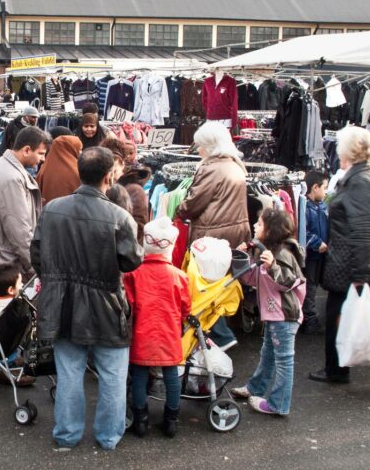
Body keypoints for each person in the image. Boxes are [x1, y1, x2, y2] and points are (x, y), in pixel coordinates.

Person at [32, 147, 143, 451]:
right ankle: (108, 437)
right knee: (112, 375)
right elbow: (132, 261)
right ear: (109, 176)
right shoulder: (119, 216)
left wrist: (55, 281)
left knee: (69, 371)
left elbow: (37, 255)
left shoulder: (53, 209)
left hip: (62, 302)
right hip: (106, 304)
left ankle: (67, 435)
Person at [310, 126, 370, 384]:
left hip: (351, 265)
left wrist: (360, 275)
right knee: (340, 315)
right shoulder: (363, 176)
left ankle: (336, 370)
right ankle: (337, 368)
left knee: (340, 315)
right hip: (350, 263)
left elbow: (364, 229)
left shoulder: (361, 181)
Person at [176, 121, 250, 351]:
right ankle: (221, 332)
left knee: (205, 288)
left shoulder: (211, 169)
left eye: (200, 146)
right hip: (234, 233)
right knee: (222, 286)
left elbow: (194, 203)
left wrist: (178, 208)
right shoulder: (236, 165)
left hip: (211, 235)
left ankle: (221, 335)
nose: (198, 150)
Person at [231, 209, 305, 416]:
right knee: (268, 354)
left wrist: (272, 266)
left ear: (271, 230)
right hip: (274, 315)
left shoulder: (283, 254)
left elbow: (291, 281)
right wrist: (241, 257)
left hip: (284, 315)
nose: (255, 226)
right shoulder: (268, 252)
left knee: (283, 360)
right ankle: (256, 388)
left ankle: (278, 404)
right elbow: (252, 278)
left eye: (260, 224)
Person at [124, 217, 190, 438]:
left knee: (140, 375)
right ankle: (171, 421)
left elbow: (128, 304)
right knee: (171, 375)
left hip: (142, 332)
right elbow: (185, 307)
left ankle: (141, 421)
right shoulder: (179, 277)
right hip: (169, 333)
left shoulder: (134, 274)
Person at [0, 127, 48, 280]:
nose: (43, 159)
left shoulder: (5, 165)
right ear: (27, 150)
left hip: (2, 254)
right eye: (41, 153)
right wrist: (33, 266)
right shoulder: (12, 178)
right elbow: (19, 230)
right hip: (8, 259)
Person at [301, 170, 330, 334]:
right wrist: (317, 243)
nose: (326, 191)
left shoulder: (321, 205)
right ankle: (310, 320)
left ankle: (310, 318)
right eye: (324, 188)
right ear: (315, 187)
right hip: (311, 255)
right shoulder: (305, 207)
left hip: (319, 254)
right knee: (310, 287)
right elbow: (302, 232)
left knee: (314, 285)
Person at [36, 135, 82, 205]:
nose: (81, 152)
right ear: (71, 149)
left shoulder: (44, 168)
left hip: (47, 212)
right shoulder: (78, 170)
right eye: (79, 149)